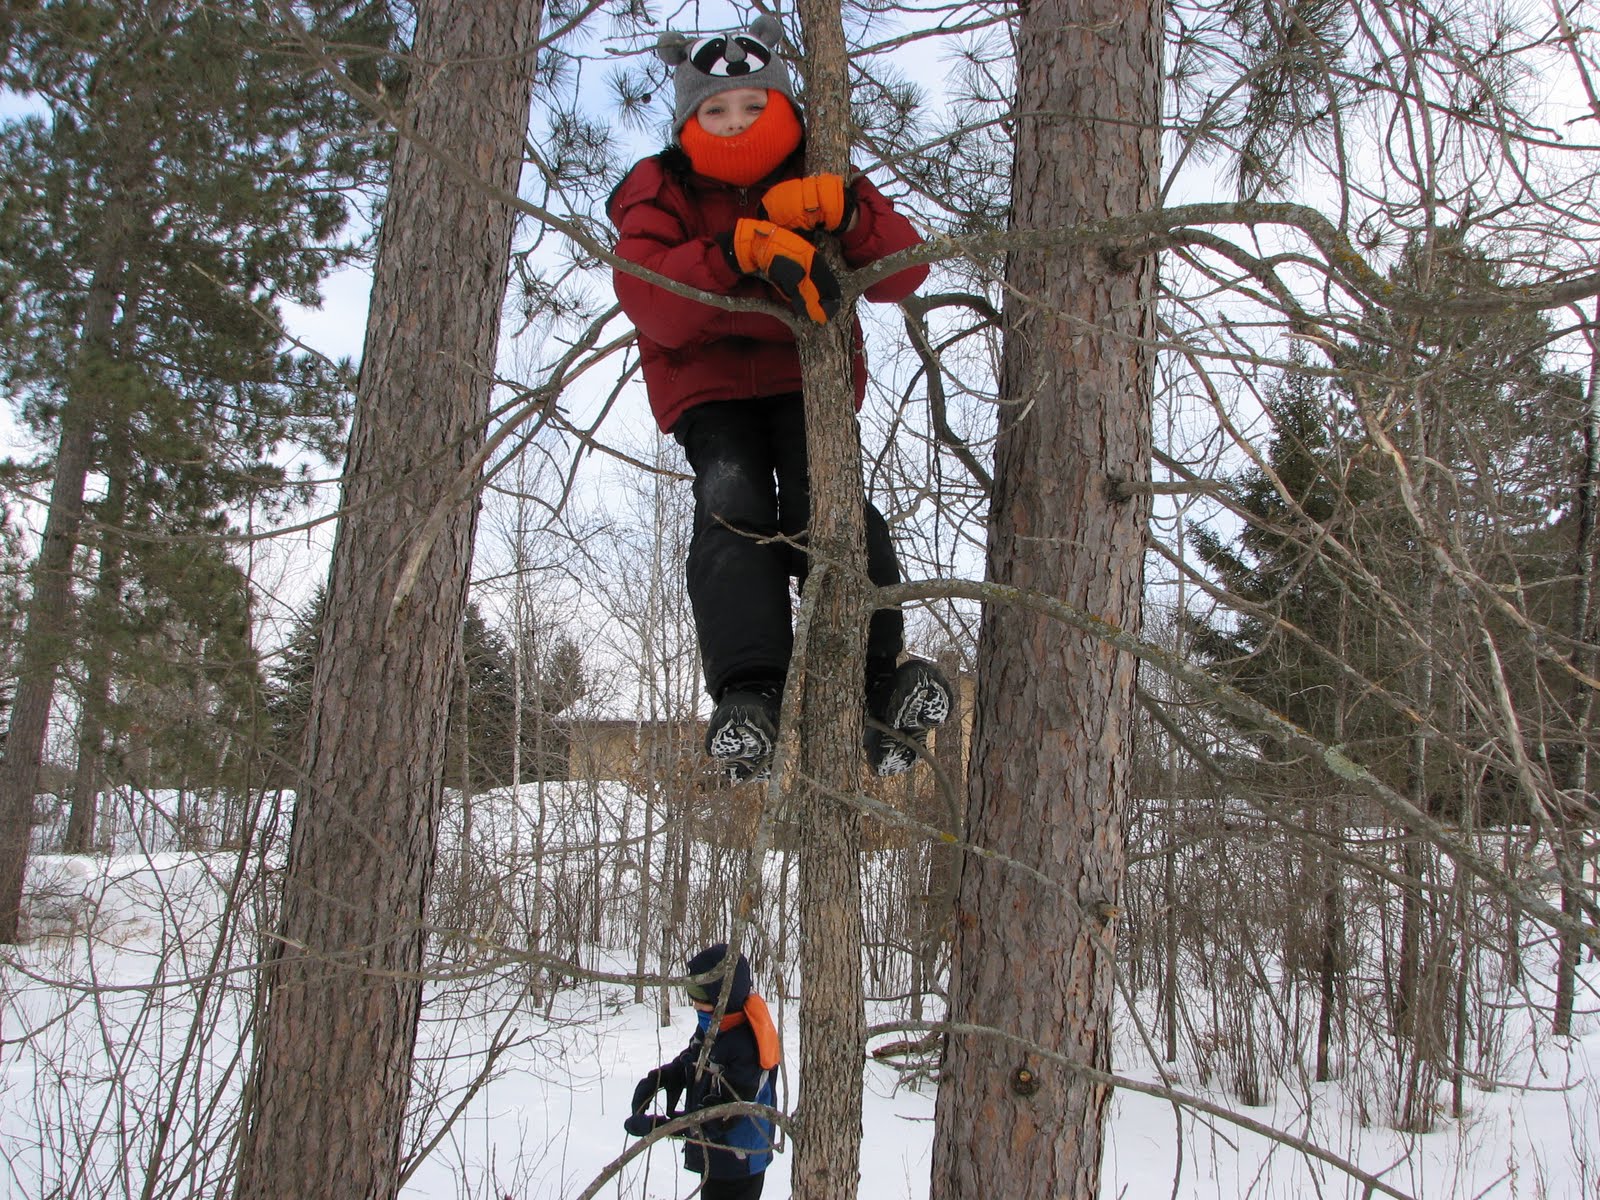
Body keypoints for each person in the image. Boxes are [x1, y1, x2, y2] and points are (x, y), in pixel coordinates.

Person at [608, 14, 952, 782]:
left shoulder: (816, 167)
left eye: (752, 105)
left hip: (805, 378)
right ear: (687, 118)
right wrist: (737, 249)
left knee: (827, 505)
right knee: (732, 504)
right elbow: (652, 298)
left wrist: (848, 213)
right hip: (708, 384)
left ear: (783, 105)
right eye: (715, 109)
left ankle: (879, 686)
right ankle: (749, 696)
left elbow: (903, 270)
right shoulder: (658, 186)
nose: (735, 121)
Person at [625, 944, 782, 1199]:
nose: (694, 1004)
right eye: (692, 992)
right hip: (717, 1157)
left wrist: (661, 1126)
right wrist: (662, 1078)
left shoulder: (747, 1045)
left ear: (723, 995)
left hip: (738, 1164)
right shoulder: (715, 1025)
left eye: (700, 994)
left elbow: (722, 1116)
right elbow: (693, 1057)